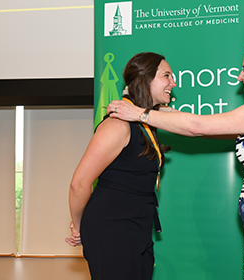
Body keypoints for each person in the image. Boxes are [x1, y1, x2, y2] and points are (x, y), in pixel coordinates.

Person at [107, 41, 244, 280]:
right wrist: (145, 106)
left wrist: (139, 114)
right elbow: (200, 122)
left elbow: (198, 127)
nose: (240, 76)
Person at [65, 52, 176, 280]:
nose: (173, 83)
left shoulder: (145, 121)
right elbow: (79, 183)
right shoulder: (117, 125)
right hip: (112, 227)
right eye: (167, 75)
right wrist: (78, 226)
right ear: (145, 79)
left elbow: (188, 123)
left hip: (138, 225)